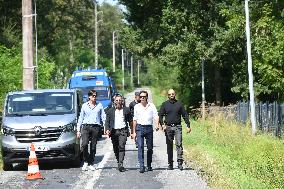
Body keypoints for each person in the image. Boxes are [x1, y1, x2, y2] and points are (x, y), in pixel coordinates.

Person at [159, 89, 191, 171]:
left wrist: (188, 125)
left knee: (179, 144)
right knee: (169, 145)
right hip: (168, 127)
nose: (171, 95)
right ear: (168, 95)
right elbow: (160, 115)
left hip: (178, 127)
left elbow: (185, 115)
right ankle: (170, 163)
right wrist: (162, 124)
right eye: (170, 94)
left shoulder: (179, 104)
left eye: (173, 94)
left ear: (175, 94)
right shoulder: (165, 104)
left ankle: (180, 162)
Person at [77, 89, 106, 171]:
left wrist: (105, 128)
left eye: (96, 96)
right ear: (89, 97)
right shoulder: (84, 105)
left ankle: (91, 163)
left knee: (93, 146)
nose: (95, 97)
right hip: (85, 127)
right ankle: (86, 160)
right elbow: (81, 118)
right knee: (84, 144)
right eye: (93, 96)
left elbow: (103, 117)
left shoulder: (99, 105)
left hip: (96, 127)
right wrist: (78, 130)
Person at [132, 90, 159, 173]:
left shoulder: (152, 106)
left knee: (150, 148)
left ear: (147, 97)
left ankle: (149, 165)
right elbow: (134, 120)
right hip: (139, 128)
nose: (142, 98)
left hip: (149, 128)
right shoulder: (137, 106)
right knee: (140, 146)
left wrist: (157, 124)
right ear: (139, 98)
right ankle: (141, 165)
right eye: (141, 97)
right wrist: (134, 132)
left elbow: (156, 116)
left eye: (144, 96)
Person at [105, 94, 132, 172]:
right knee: (115, 147)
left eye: (120, 100)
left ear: (122, 101)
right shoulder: (110, 111)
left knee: (121, 146)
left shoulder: (126, 110)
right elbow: (107, 121)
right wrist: (107, 129)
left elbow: (130, 121)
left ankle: (120, 163)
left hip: (123, 131)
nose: (118, 102)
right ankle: (118, 160)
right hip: (114, 131)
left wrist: (133, 131)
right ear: (114, 101)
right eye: (117, 100)